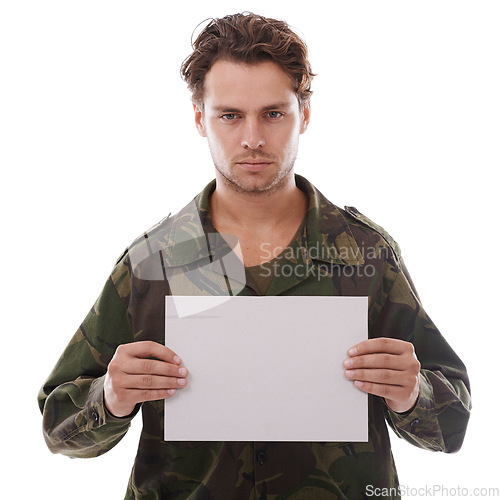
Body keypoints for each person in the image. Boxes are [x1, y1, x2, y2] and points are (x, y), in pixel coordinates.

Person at [38, 12, 471, 500]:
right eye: (230, 115)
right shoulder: (153, 262)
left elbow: (452, 426)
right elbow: (58, 428)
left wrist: (412, 394)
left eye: (272, 113)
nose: (252, 139)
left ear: (304, 114)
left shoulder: (366, 254)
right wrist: (110, 398)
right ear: (200, 118)